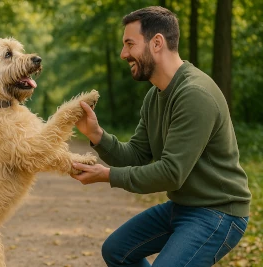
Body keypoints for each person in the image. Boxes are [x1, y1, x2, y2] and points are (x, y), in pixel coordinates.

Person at [70, 6, 251, 267]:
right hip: (183, 206)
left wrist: (107, 176)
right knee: (116, 251)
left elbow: (170, 173)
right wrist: (97, 135)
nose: (123, 54)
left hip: (218, 213)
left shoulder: (194, 94)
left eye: (129, 44)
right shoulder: (155, 96)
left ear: (157, 43)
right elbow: (137, 155)